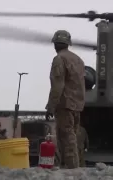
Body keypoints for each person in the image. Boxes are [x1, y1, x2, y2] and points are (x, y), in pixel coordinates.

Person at [45, 30, 85, 169]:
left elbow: (58, 85)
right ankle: (74, 168)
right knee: (74, 137)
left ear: (55, 43)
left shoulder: (59, 59)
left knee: (67, 138)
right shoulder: (78, 60)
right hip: (77, 105)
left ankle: (72, 170)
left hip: (65, 104)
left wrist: (51, 106)